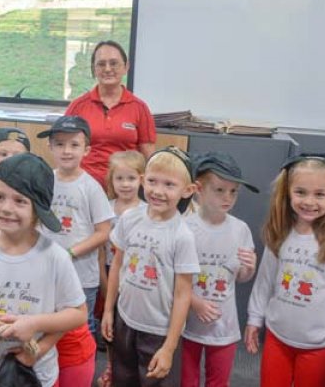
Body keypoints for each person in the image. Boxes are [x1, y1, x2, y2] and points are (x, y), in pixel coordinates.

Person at [0, 153, 88, 387]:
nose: (6, 208)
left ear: (37, 210)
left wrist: (36, 334)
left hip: (38, 373)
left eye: (20, 201)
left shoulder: (55, 257)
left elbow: (78, 314)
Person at [245, 153, 325, 387]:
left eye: (320, 194)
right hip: (277, 338)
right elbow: (265, 281)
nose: (309, 201)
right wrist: (255, 318)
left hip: (320, 346)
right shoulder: (280, 231)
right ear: (287, 193)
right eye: (300, 192)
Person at [101, 147, 200, 387]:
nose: (158, 191)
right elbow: (117, 264)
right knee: (122, 379)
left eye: (169, 184)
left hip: (158, 331)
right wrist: (108, 310)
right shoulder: (129, 218)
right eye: (153, 181)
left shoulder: (182, 236)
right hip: (125, 320)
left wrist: (169, 347)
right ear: (143, 180)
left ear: (187, 190)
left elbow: (183, 293)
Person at [36, 115, 113, 387]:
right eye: (59, 144)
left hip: (81, 275)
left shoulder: (91, 187)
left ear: (86, 149)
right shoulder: (45, 181)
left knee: (80, 329)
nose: (66, 151)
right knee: (49, 323)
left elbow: (103, 231)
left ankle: (79, 375)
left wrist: (70, 253)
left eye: (74, 145)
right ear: (50, 147)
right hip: (46, 272)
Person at [180, 152, 258, 387]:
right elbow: (172, 277)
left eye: (233, 191)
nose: (228, 197)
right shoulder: (184, 228)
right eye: (220, 190)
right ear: (198, 189)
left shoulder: (240, 229)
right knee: (186, 380)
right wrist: (195, 302)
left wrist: (249, 268)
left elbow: (241, 277)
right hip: (186, 323)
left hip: (224, 325)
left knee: (219, 380)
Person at [65, 40, 157, 188]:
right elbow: (65, 151)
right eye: (101, 64)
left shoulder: (140, 108)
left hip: (125, 189)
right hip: (84, 187)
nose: (107, 69)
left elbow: (150, 159)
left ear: (126, 67)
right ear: (94, 69)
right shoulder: (77, 107)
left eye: (114, 63)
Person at [97, 150, 147, 387]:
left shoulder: (146, 211)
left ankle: (129, 367)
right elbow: (100, 249)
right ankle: (110, 365)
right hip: (109, 269)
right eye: (120, 178)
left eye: (131, 178)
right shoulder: (105, 209)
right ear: (111, 180)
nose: (125, 184)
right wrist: (103, 279)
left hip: (134, 275)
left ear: (141, 180)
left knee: (127, 325)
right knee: (109, 323)